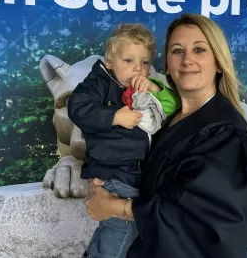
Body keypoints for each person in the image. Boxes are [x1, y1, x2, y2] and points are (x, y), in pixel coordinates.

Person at [84, 13, 247, 258]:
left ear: (219, 62)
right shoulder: (164, 120)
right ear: (167, 64)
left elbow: (195, 216)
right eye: (177, 51)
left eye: (199, 50)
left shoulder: (226, 133)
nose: (187, 60)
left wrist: (112, 207)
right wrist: (101, 182)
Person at [67, 23, 180, 258]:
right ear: (109, 62)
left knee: (113, 228)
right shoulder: (99, 84)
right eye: (128, 61)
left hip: (136, 173)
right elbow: (78, 108)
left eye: (144, 62)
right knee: (123, 226)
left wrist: (155, 89)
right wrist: (115, 116)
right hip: (114, 171)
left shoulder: (145, 88)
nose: (137, 69)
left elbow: (174, 105)